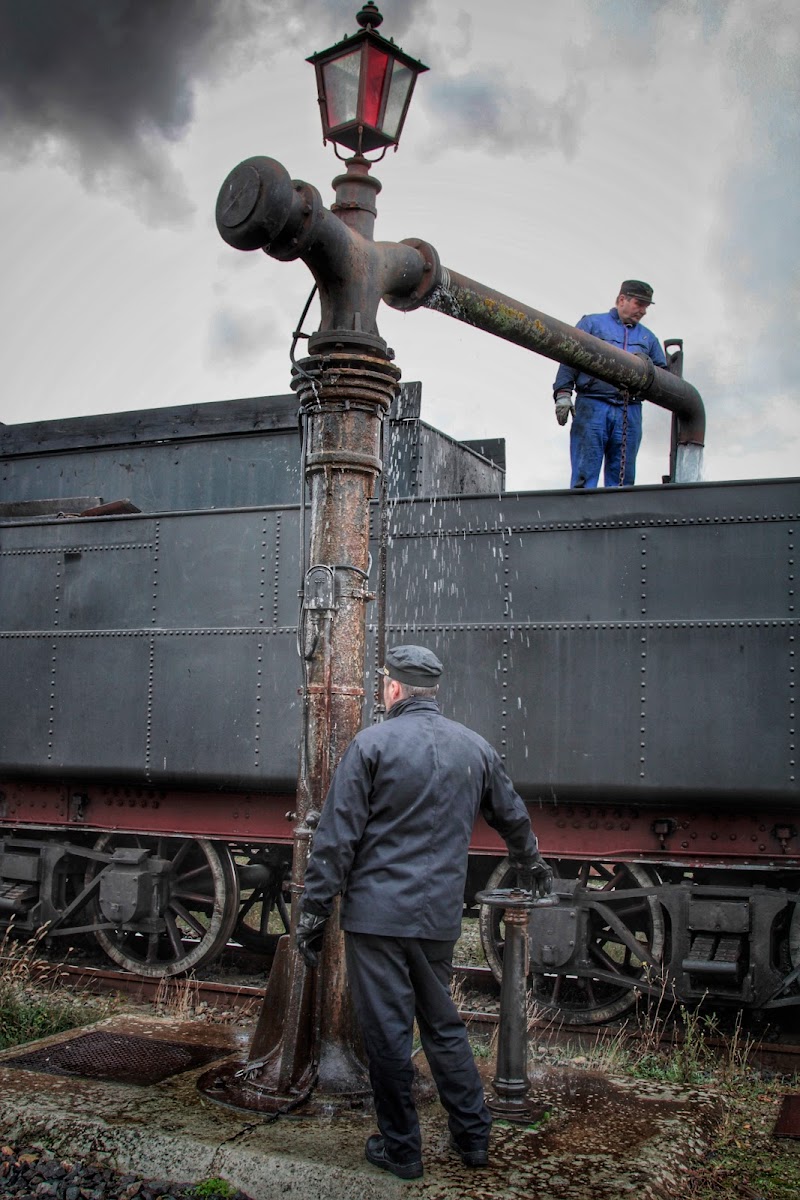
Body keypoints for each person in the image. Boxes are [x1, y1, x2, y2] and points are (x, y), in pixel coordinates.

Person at [295, 644, 551, 1180]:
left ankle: (403, 1150)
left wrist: (314, 910)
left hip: (376, 919)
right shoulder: (473, 747)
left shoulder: (371, 744)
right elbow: (513, 815)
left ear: (392, 689)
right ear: (430, 690)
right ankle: (474, 1139)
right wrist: (531, 863)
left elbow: (335, 839)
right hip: (436, 917)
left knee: (388, 1034)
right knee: (444, 1027)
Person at [553, 279, 667, 489]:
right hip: (593, 405)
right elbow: (569, 356)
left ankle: (619, 518)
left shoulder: (648, 338)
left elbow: (662, 375)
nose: (642, 311)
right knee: (585, 474)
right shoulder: (592, 324)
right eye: (638, 304)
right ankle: (583, 516)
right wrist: (563, 393)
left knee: (623, 481)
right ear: (622, 299)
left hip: (630, 409)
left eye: (646, 306)